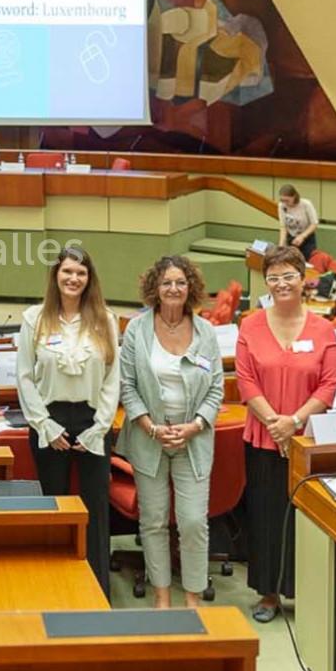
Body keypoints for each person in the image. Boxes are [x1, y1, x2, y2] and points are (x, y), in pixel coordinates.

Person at [235, 246, 336, 622]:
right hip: (263, 439)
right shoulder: (250, 324)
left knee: (306, 519)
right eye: (274, 277)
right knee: (265, 517)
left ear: (303, 278)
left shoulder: (323, 328)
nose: (281, 283)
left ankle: (307, 592)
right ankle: (268, 593)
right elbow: (246, 381)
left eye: (288, 276)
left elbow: (330, 384)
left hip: (307, 439)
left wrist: (292, 422)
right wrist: (275, 424)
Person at [116, 255, 223, 608]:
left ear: (189, 286)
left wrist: (193, 427)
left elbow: (216, 388)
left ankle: (192, 597)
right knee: (154, 521)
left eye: (180, 282)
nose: (174, 288)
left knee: (193, 522)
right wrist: (149, 426)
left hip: (193, 441)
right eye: (166, 283)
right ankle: (162, 596)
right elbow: (127, 386)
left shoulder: (206, 331)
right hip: (149, 439)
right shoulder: (136, 329)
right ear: (155, 289)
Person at [15, 246, 121, 597]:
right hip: (50, 419)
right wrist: (44, 424)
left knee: (94, 509)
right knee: (54, 508)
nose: (74, 278)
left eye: (81, 273)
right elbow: (25, 377)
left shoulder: (104, 318)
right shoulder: (34, 317)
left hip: (93, 421)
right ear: (56, 276)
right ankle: (54, 589)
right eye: (67, 272)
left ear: (89, 278)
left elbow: (112, 378)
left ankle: (96, 590)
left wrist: (99, 427)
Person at [276, 184, 318, 260]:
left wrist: (302, 236)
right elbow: (283, 226)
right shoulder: (281, 206)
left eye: (287, 200)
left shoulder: (306, 204)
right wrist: (281, 245)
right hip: (291, 238)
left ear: (294, 196)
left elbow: (314, 224)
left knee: (308, 263)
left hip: (307, 238)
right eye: (282, 200)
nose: (285, 203)